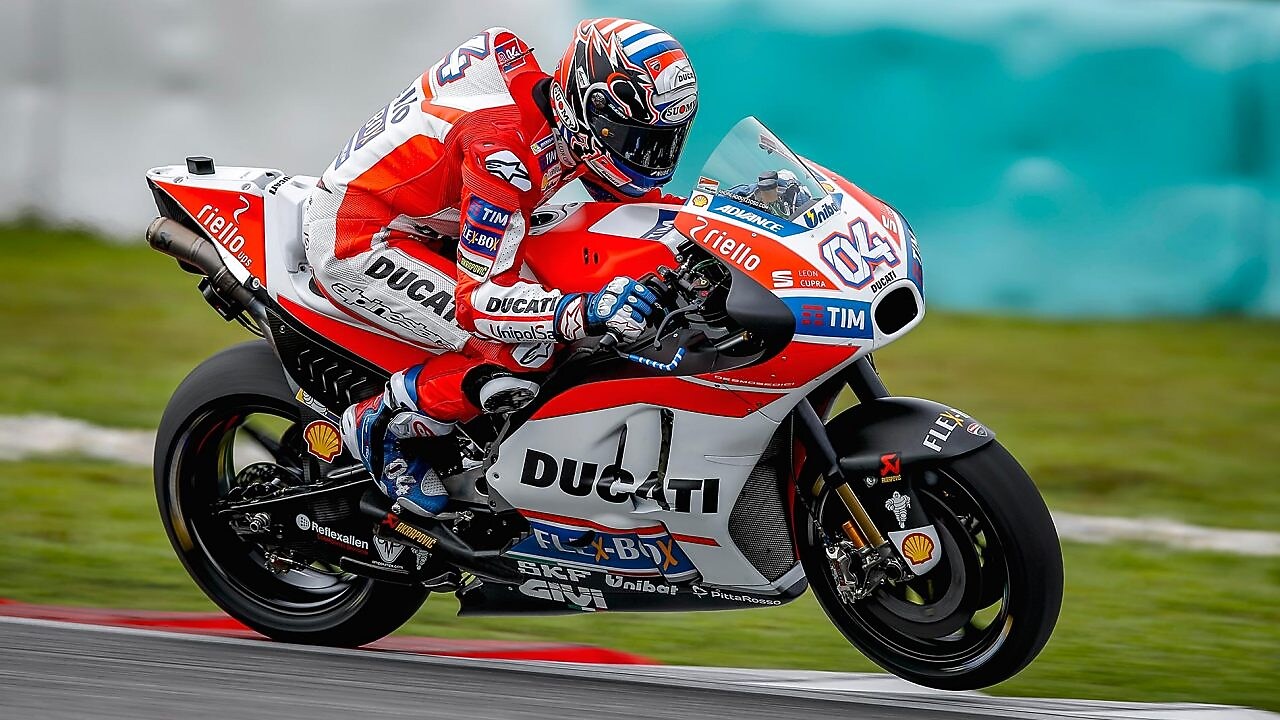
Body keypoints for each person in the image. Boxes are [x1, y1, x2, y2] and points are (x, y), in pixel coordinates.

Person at [300, 19, 698, 518]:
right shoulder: (504, 153)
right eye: (636, 139)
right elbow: (478, 302)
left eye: (660, 142)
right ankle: (382, 422)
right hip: (362, 236)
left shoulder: (559, 115)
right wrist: (588, 309)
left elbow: (622, 195)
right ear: (592, 106)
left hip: (433, 216)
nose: (648, 156)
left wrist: (719, 221)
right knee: (527, 348)